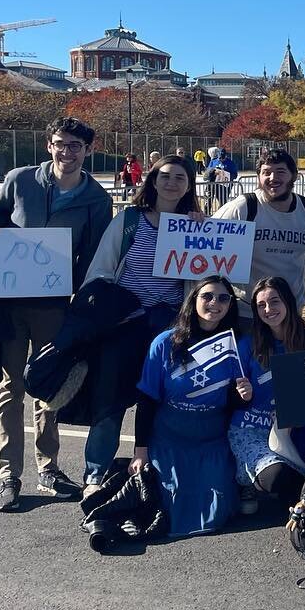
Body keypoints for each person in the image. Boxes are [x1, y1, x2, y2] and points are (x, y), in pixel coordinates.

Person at [0, 117, 113, 512]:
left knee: (48, 389)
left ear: (88, 149)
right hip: (10, 302)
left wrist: (83, 304)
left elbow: (92, 257)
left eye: (75, 146)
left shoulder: (96, 199)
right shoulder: (20, 180)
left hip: (56, 305)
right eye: (59, 144)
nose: (66, 152)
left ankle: (49, 469)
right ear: (48, 145)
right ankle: (9, 475)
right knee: (10, 389)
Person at [80, 154, 201, 492]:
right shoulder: (130, 220)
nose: (171, 183)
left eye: (180, 177)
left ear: (189, 185)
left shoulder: (193, 225)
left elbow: (206, 278)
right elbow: (102, 268)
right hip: (125, 324)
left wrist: (204, 233)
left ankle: (158, 469)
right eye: (165, 176)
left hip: (170, 328)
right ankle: (95, 473)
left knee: (163, 402)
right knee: (111, 399)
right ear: (152, 179)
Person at [129, 276, 257, 537]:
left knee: (215, 512)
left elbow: (234, 402)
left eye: (223, 298)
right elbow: (147, 399)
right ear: (193, 300)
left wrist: (244, 396)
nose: (215, 303)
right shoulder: (165, 342)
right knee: (167, 507)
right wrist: (140, 451)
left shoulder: (239, 345)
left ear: (231, 304)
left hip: (212, 439)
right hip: (169, 438)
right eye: (207, 296)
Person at [233, 277, 305, 515]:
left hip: (296, 429)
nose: (269, 310)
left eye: (274, 301)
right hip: (252, 429)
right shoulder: (248, 344)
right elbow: (232, 395)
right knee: (279, 478)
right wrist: (242, 395)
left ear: (288, 302)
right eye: (261, 305)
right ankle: (246, 482)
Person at [215, 149, 305, 314]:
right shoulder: (243, 207)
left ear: (294, 176)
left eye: (280, 172)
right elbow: (209, 245)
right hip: (247, 313)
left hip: (291, 313)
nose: (273, 178)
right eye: (266, 172)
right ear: (258, 177)